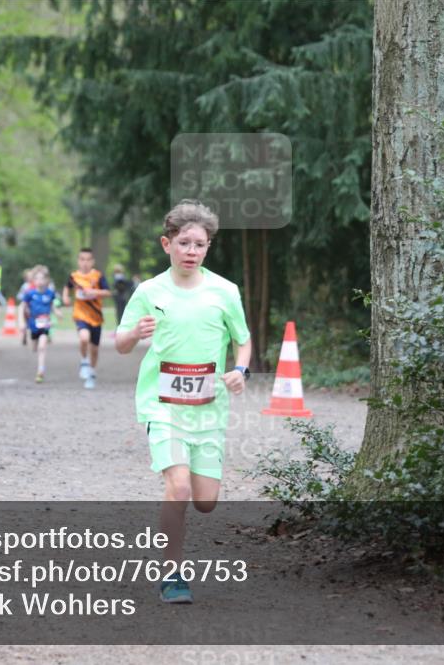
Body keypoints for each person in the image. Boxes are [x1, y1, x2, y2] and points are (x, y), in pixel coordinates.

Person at [115, 200, 252, 604]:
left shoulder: (225, 291)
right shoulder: (148, 291)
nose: (191, 251)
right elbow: (121, 344)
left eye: (200, 244)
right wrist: (135, 333)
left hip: (209, 409)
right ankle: (172, 574)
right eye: (184, 243)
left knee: (205, 501)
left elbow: (243, 340)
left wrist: (240, 371)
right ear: (167, 243)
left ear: (208, 247)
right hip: (163, 406)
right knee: (177, 488)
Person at [62, 248, 111, 389]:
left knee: (94, 350)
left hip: (96, 317)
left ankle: (91, 373)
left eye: (88, 259)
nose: (85, 263)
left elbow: (107, 292)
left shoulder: (98, 276)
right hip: (80, 314)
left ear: (92, 261)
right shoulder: (74, 276)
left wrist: (94, 292)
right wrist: (65, 297)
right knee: (84, 338)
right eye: (82, 259)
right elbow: (67, 287)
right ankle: (84, 361)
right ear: (78, 261)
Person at [21, 266, 62, 383]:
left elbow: (53, 306)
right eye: (37, 279)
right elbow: (22, 308)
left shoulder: (50, 293)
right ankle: (32, 341)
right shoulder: (29, 294)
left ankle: (40, 371)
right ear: (33, 281)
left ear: (46, 280)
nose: (39, 281)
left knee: (42, 347)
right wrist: (22, 323)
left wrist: (58, 313)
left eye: (42, 278)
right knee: (34, 348)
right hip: (33, 324)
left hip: (45, 324)